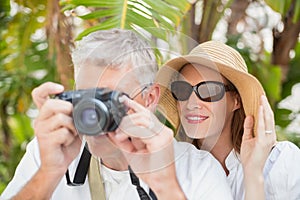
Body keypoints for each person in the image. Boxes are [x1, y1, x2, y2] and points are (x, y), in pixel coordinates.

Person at [1, 29, 233, 200]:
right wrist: (49, 173)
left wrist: (166, 187)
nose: (96, 115)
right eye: (87, 99)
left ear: (150, 98)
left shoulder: (197, 169)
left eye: (110, 100)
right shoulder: (48, 152)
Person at [155, 40, 300, 199]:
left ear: (236, 101)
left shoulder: (281, 162)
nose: (191, 103)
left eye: (209, 90)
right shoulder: (175, 170)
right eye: (182, 90)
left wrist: (253, 173)